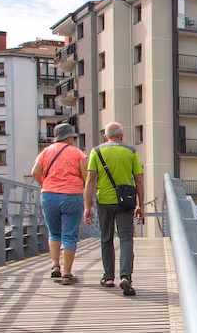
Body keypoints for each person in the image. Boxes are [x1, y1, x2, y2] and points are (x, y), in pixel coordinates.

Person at [84, 122, 144, 296]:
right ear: (122, 136)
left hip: (104, 201)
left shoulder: (96, 151)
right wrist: (140, 204)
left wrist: (87, 206)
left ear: (105, 137)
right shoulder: (131, 152)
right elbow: (139, 180)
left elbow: (90, 179)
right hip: (125, 201)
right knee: (126, 238)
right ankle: (126, 276)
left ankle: (108, 277)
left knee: (106, 238)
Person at [31, 123, 88, 284]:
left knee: (54, 232)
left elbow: (34, 172)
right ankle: (67, 274)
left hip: (49, 195)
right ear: (69, 137)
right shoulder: (77, 153)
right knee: (69, 235)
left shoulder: (46, 151)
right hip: (71, 195)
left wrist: (45, 183)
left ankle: (55, 265)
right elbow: (86, 175)